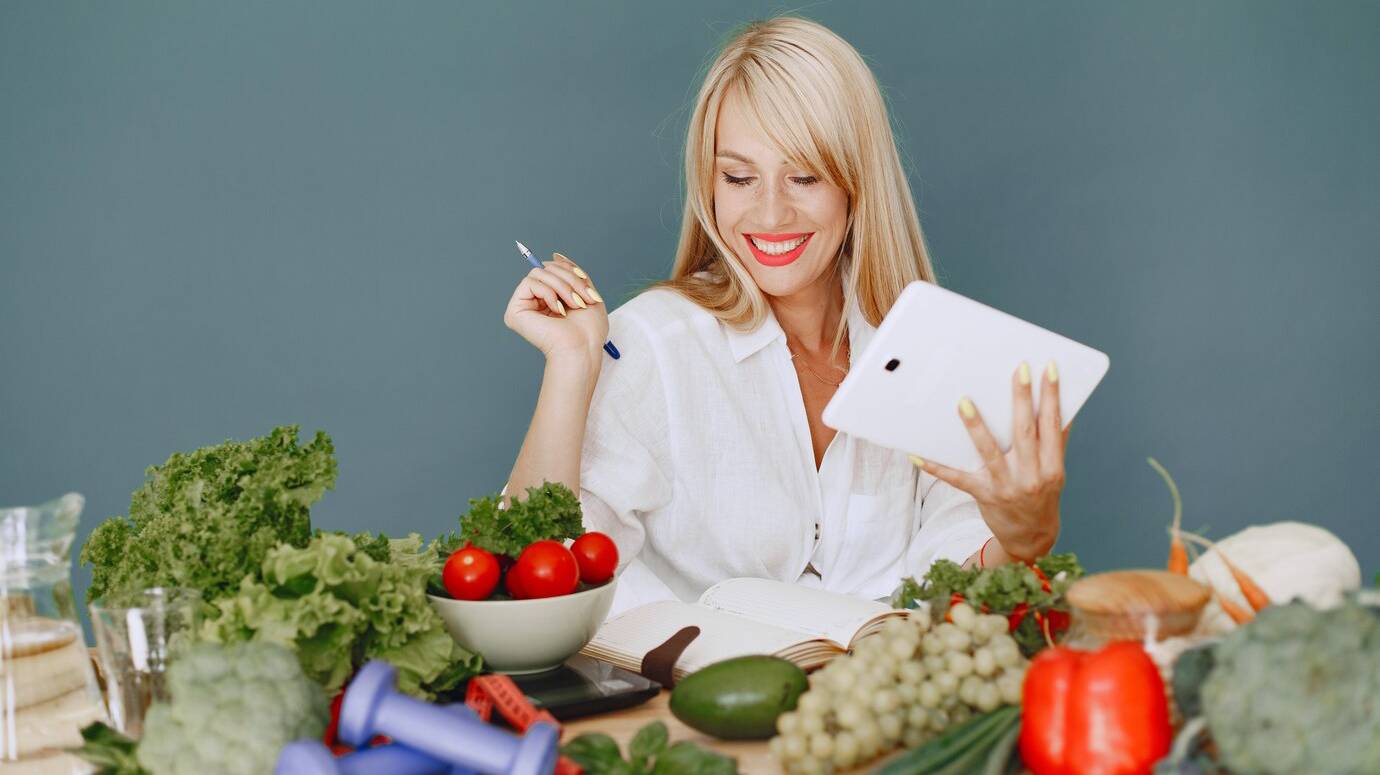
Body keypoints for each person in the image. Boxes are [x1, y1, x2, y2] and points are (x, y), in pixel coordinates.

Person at [501, 17, 1067, 616]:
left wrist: (1021, 537)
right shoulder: (652, 345)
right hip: (694, 702)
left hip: (885, 696)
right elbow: (530, 571)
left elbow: (956, 577)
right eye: (740, 177)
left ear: (857, 185)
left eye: (804, 176)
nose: (770, 214)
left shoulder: (924, 348)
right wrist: (571, 364)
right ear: (709, 184)